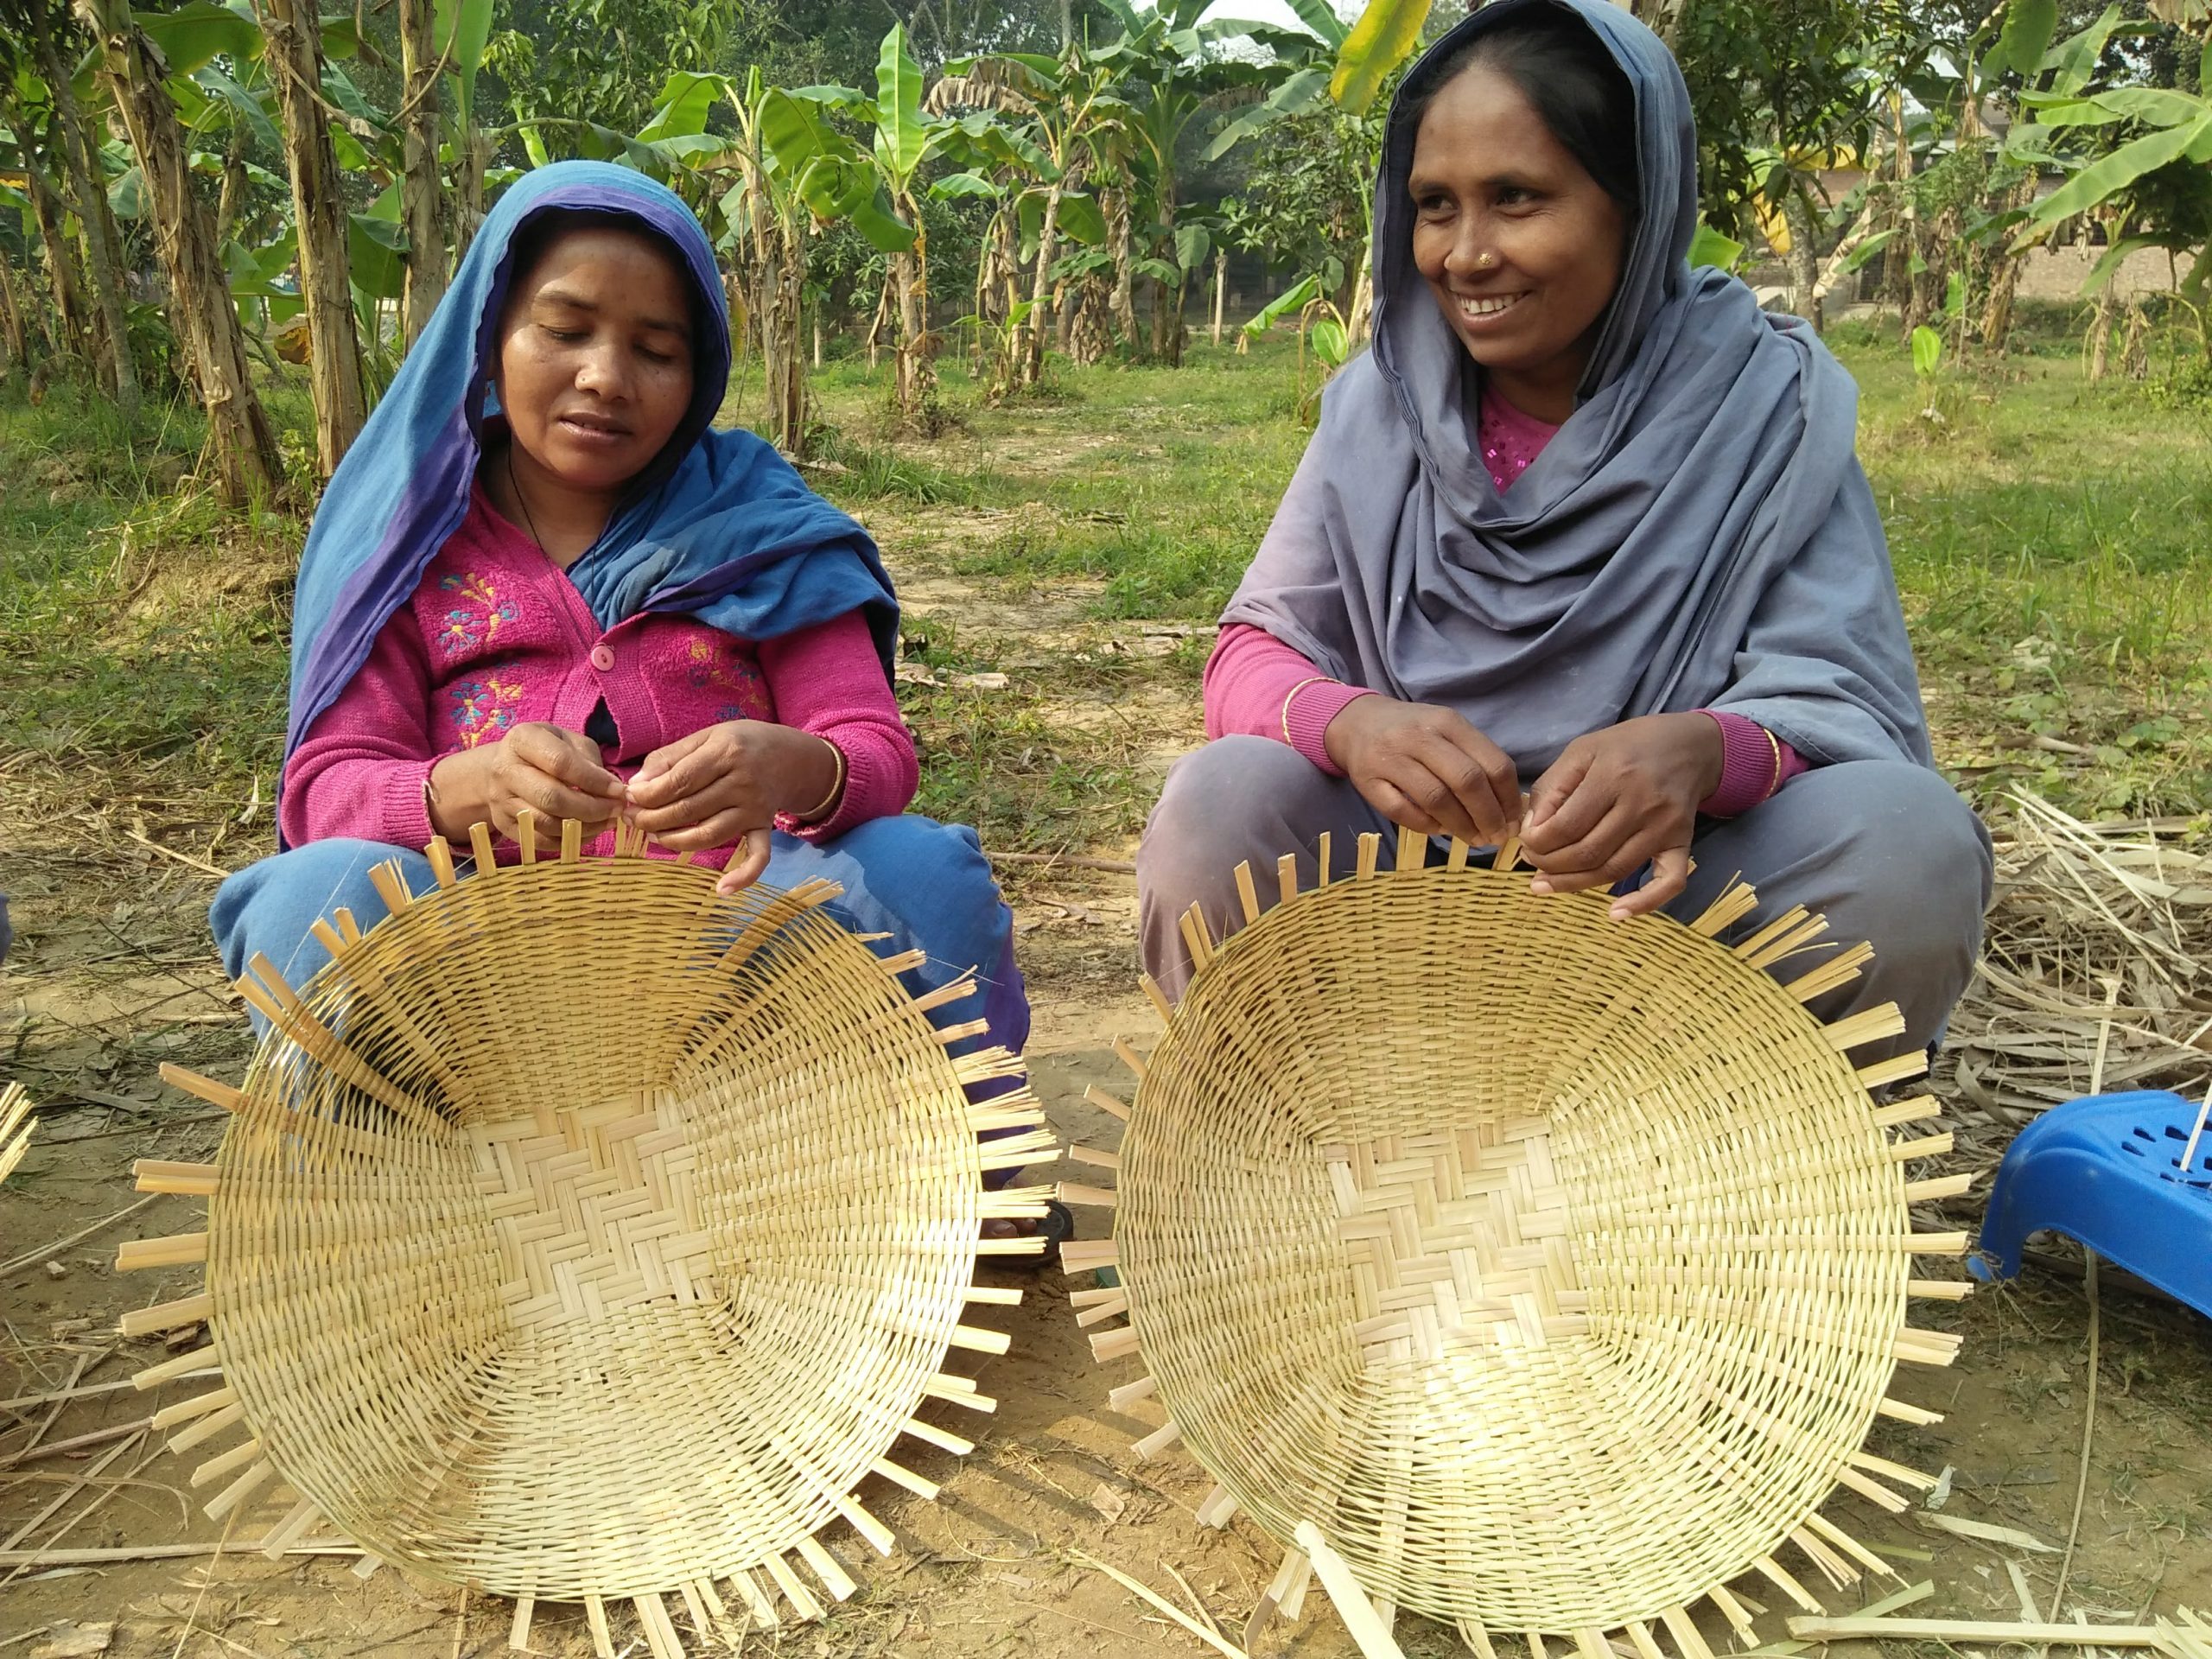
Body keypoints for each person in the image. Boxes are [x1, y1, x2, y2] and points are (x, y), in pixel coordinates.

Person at [1138, 0, 1991, 1059]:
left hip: (1673, 899)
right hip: (1405, 887)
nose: (1465, 253)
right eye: (1434, 205)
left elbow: (1836, 693)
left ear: (1639, 205)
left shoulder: (1763, 406)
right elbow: (1251, 654)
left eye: (1517, 199)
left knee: (1904, 844)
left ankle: (1749, 1156)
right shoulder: (1377, 410)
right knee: (1221, 802)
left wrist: (1698, 755)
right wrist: (1354, 726)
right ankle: (1308, 1136)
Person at [212, 162, 1028, 1116]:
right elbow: (323, 791)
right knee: (310, 896)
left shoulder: (760, 518)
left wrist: (792, 769)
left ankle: (948, 1186)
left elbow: (874, 750)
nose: (605, 377)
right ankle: (388, 1197)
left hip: (741, 942)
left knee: (921, 872)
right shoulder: (408, 541)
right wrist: (469, 786)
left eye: (656, 350)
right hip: (476, 963)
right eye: (563, 331)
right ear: (492, 333)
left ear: (699, 371)